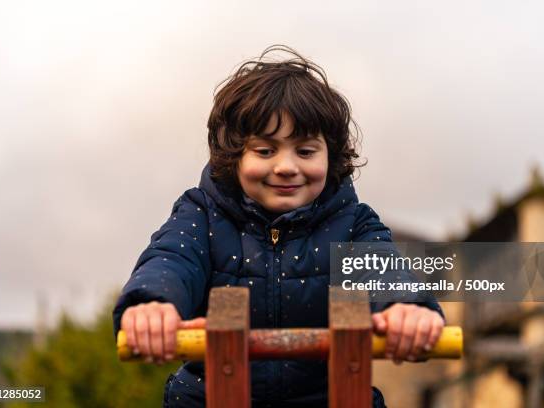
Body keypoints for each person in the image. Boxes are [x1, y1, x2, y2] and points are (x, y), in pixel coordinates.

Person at [112, 45, 444, 408]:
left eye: (305, 151)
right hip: (210, 396)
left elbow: (380, 267)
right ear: (234, 155)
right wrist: (154, 302)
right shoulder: (201, 214)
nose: (286, 166)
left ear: (330, 156)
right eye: (265, 151)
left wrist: (403, 306)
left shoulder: (352, 224)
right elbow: (172, 257)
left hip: (323, 397)